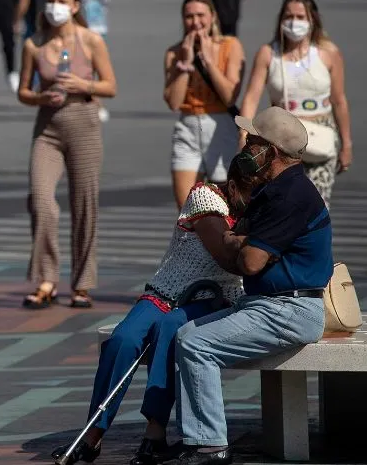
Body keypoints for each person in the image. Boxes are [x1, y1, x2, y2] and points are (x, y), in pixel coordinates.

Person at [49, 157, 256, 465]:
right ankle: (93, 433)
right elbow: (224, 250)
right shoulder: (204, 195)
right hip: (166, 290)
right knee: (123, 339)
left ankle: (154, 433)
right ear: (235, 186)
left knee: (170, 328)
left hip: (213, 297)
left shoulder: (261, 207)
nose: (253, 200)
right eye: (250, 193)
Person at [173, 106, 333, 465]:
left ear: (271, 152)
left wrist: (239, 244)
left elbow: (247, 261)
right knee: (184, 336)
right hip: (267, 302)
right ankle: (196, 438)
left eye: (254, 141)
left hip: (290, 309)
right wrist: (239, 243)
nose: (246, 147)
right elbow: (236, 246)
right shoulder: (272, 190)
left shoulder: (292, 196)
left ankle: (210, 445)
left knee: (198, 345)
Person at [17, 0, 117, 310]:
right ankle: (46, 278)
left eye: (61, 1)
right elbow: (23, 91)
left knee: (84, 204)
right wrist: (40, 96)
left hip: (84, 123)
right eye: (50, 0)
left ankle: (82, 284)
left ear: (75, 6)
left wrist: (81, 82)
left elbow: (110, 86)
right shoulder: (34, 43)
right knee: (41, 200)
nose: (54, 7)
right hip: (48, 126)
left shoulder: (90, 40)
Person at [238, 0, 352, 208]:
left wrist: (346, 144)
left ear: (312, 20)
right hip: (280, 138)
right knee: (283, 204)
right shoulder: (268, 54)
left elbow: (339, 100)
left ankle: (313, 241)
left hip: (320, 134)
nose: (294, 22)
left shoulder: (328, 53)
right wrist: (243, 133)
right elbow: (252, 97)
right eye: (288, 17)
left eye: (300, 17)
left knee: (316, 205)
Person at [163, 0, 245, 209]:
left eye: (201, 15)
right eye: (189, 16)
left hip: (220, 126)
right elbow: (173, 102)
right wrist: (185, 63)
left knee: (227, 206)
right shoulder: (174, 53)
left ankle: (221, 244)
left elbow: (229, 95)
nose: (195, 22)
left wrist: (208, 61)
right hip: (188, 127)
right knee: (187, 211)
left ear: (213, 17)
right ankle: (195, 244)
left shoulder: (230, 45)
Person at [79, 0, 111, 122]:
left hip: (86, 36)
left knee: (87, 72)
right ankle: (95, 103)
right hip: (101, 35)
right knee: (96, 72)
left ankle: (96, 104)